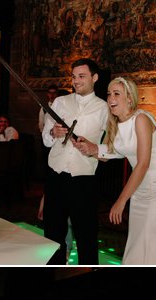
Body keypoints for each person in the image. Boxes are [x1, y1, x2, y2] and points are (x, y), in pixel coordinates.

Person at [74, 76, 156, 264]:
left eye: (116, 94)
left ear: (130, 98)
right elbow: (112, 152)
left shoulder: (141, 118)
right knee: (137, 246)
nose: (110, 98)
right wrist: (90, 148)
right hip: (140, 190)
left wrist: (121, 200)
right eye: (108, 94)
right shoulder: (116, 124)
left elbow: (143, 164)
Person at [41, 58, 108, 265]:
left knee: (86, 236)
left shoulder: (104, 109)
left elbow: (114, 146)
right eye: (73, 76)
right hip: (56, 177)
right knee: (53, 235)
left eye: (81, 76)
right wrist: (53, 132)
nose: (76, 81)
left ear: (94, 78)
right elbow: (45, 140)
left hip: (84, 181)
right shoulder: (60, 103)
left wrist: (95, 149)